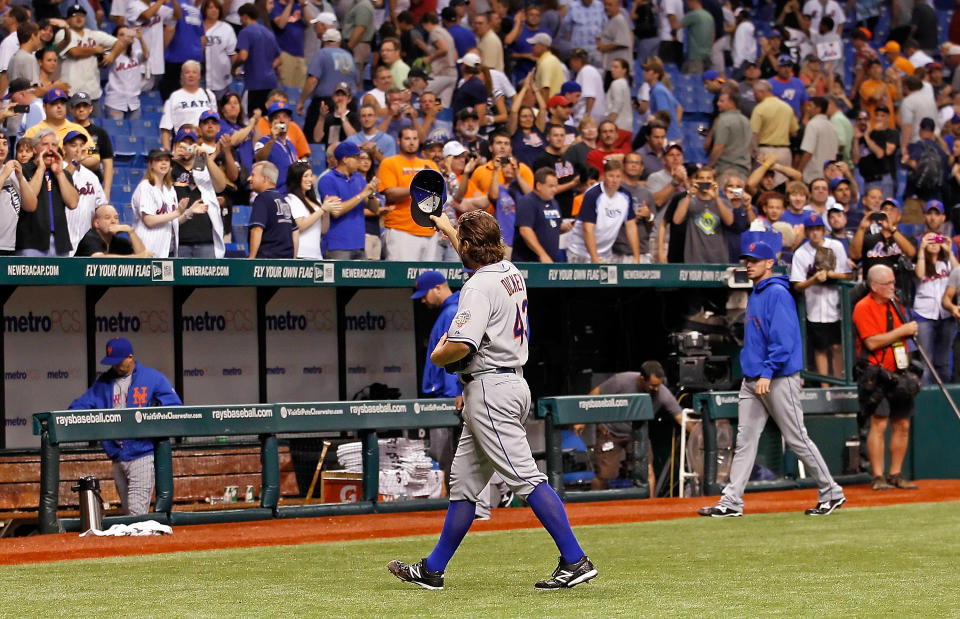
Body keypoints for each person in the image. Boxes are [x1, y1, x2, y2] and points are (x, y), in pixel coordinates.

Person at [387, 209, 597, 591]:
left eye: (462, 243)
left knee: (525, 477)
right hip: (508, 383)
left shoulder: (477, 286)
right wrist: (451, 229)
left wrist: (436, 355)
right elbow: (478, 257)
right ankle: (433, 569)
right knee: (465, 483)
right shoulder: (510, 269)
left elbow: (462, 344)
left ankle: (575, 559)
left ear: (470, 248)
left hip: (489, 390)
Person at [698, 237, 846, 517]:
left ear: (769, 263)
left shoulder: (777, 292)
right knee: (745, 440)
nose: (749, 265)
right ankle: (731, 502)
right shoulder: (756, 292)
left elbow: (784, 341)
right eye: (747, 261)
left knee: (796, 438)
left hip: (777, 377)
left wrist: (767, 372)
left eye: (754, 261)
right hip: (753, 378)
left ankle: (831, 491)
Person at [68, 338, 182, 516]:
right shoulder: (104, 382)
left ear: (130, 357)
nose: (114, 366)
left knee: (136, 512)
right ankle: (141, 542)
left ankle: (145, 543)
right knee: (129, 511)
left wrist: (150, 423)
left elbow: (176, 409)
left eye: (119, 361)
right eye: (111, 362)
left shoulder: (152, 378)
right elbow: (78, 407)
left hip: (142, 454)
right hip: (117, 456)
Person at [853, 264, 921, 491]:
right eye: (888, 284)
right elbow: (872, 342)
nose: (894, 287)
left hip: (899, 372)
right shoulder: (863, 307)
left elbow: (904, 335)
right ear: (874, 286)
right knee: (879, 424)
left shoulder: (896, 305)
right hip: (875, 373)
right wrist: (903, 331)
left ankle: (896, 474)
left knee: (902, 424)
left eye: (894, 282)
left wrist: (909, 331)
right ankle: (878, 476)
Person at [572, 362, 683, 490]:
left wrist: (698, 433)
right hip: (610, 431)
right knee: (604, 475)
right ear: (642, 379)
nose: (656, 389)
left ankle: (650, 508)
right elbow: (595, 394)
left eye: (658, 385)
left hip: (637, 434)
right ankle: (595, 508)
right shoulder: (621, 381)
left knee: (647, 472)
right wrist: (581, 419)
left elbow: (680, 417)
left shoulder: (662, 393)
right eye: (653, 385)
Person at [412, 270, 463, 498]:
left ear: (438, 288)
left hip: (447, 397)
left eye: (425, 294)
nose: (423, 300)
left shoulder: (452, 312)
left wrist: (455, 392)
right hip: (445, 395)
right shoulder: (449, 311)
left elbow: (457, 356)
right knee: (444, 457)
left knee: (445, 458)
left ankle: (458, 506)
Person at [790, 212, 851, 383]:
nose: (815, 233)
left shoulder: (836, 246)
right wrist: (814, 279)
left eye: (818, 229)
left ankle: (838, 384)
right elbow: (797, 284)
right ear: (807, 232)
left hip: (836, 305)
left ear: (824, 230)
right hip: (814, 307)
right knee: (821, 349)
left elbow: (848, 275)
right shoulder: (801, 253)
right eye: (811, 230)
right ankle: (825, 387)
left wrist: (832, 274)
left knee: (837, 347)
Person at [377, 126, 440, 260]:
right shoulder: (389, 163)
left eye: (415, 138)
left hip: (429, 230)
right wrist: (418, 186)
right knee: (401, 279)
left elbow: (437, 193)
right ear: (399, 141)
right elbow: (390, 193)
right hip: (400, 229)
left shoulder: (429, 164)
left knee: (428, 279)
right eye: (407, 138)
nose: (411, 142)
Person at [17, 130, 79, 256]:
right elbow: (28, 199)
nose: (50, 149)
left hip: (60, 243)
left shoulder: (64, 174)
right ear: (34, 149)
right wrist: (41, 169)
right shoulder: (23, 170)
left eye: (54, 145)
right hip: (31, 243)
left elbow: (72, 203)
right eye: (45, 144)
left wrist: (60, 173)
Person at [169, 124, 228, 257]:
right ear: (175, 146)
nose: (187, 147)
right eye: (183, 143)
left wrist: (205, 157)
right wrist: (173, 160)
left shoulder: (203, 167)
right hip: (179, 239)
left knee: (207, 278)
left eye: (191, 143)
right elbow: (155, 184)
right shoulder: (168, 166)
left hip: (206, 240)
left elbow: (220, 186)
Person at [566, 159, 639, 263]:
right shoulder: (592, 195)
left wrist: (636, 257)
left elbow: (631, 226)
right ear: (604, 176)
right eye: (611, 176)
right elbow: (588, 229)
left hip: (605, 253)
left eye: (618, 176)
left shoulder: (626, 196)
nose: (614, 180)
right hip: (580, 251)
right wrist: (594, 258)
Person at [317, 142, 379, 259]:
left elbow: (374, 208)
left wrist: (371, 193)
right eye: (356, 158)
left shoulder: (358, 178)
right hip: (338, 245)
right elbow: (336, 212)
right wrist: (362, 194)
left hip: (359, 244)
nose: (360, 161)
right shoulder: (327, 180)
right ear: (345, 159)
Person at [913, 228, 957, 385]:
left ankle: (945, 402)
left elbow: (958, 273)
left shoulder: (946, 263)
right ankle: (927, 401)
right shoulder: (919, 262)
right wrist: (922, 249)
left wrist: (949, 251)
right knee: (926, 362)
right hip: (924, 315)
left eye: (936, 240)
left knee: (943, 363)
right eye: (929, 240)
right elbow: (919, 274)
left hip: (945, 316)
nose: (933, 243)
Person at [672, 166, 733, 263]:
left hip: (719, 258)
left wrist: (717, 198)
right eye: (701, 178)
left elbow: (729, 222)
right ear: (695, 180)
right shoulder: (688, 201)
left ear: (714, 181)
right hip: (694, 258)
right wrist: (689, 196)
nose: (705, 181)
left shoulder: (723, 203)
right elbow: (676, 220)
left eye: (709, 178)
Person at [62, 130, 106, 256]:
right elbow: (63, 178)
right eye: (73, 145)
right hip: (61, 240)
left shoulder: (91, 177)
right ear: (64, 149)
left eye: (81, 145)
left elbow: (101, 206)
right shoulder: (58, 169)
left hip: (85, 242)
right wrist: (75, 162)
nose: (78, 149)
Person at [234, 3, 281, 115]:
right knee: (268, 117)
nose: (240, 21)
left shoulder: (245, 32)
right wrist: (267, 67)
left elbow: (243, 56)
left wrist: (234, 67)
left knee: (254, 119)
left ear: (245, 16)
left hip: (255, 83)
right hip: (271, 82)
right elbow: (279, 59)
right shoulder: (269, 33)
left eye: (241, 17)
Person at [159, 61, 217, 150]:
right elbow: (165, 129)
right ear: (182, 76)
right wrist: (167, 153)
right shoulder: (174, 97)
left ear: (199, 76)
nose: (191, 75)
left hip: (206, 146)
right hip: (183, 145)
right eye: (187, 72)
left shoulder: (209, 95)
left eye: (194, 72)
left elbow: (216, 123)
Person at [248, 161, 297, 258]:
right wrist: (293, 259)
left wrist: (251, 259)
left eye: (253, 175)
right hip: (286, 263)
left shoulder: (262, 198)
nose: (249, 179)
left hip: (266, 262)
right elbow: (295, 231)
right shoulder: (283, 200)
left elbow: (257, 229)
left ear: (265, 179)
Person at [513, 167, 563, 263]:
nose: (555, 190)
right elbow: (525, 230)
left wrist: (567, 226)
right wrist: (542, 254)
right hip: (529, 262)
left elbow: (554, 225)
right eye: (551, 186)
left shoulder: (554, 202)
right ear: (539, 185)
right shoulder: (527, 202)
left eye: (556, 186)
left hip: (550, 261)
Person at [0, 134, 36, 256]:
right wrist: (4, 175)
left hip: (9, 245)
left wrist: (20, 178)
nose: (2, 148)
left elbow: (31, 206)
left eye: (5, 144)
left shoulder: (13, 172)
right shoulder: (7, 171)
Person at [255, 101, 301, 194]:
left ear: (289, 121)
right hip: (276, 194)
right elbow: (259, 159)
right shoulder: (263, 141)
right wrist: (272, 139)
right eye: (277, 117)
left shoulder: (290, 144)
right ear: (270, 123)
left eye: (285, 116)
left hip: (293, 194)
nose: (282, 120)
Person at [74, 204, 153, 257]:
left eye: (116, 218)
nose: (113, 221)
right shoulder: (90, 238)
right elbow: (100, 259)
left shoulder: (120, 242)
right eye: (107, 218)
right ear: (96, 223)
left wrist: (130, 231)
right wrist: (135, 257)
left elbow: (144, 257)